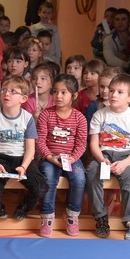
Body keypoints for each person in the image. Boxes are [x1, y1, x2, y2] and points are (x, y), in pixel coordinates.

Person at [86, 74, 130, 240]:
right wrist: (101, 159)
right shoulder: (99, 115)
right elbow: (94, 144)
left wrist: (124, 163)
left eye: (120, 92)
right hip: (104, 154)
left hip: (127, 155)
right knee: (92, 175)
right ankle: (101, 217)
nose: (113, 94)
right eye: (112, 90)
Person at [0, 75, 47, 220]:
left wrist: (24, 166)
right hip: (0, 158)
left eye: (13, 91)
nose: (7, 94)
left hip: (22, 159)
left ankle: (23, 208)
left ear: (23, 98)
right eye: (4, 90)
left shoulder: (27, 118)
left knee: (41, 187)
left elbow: (30, 149)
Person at [36, 75, 88, 237]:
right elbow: (40, 140)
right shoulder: (46, 114)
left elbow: (81, 144)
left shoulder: (79, 118)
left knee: (79, 178)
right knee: (49, 178)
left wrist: (73, 158)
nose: (58, 96)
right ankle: (47, 217)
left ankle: (72, 215)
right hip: (50, 157)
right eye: (55, 92)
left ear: (74, 95)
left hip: (71, 158)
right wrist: (49, 156)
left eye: (63, 92)